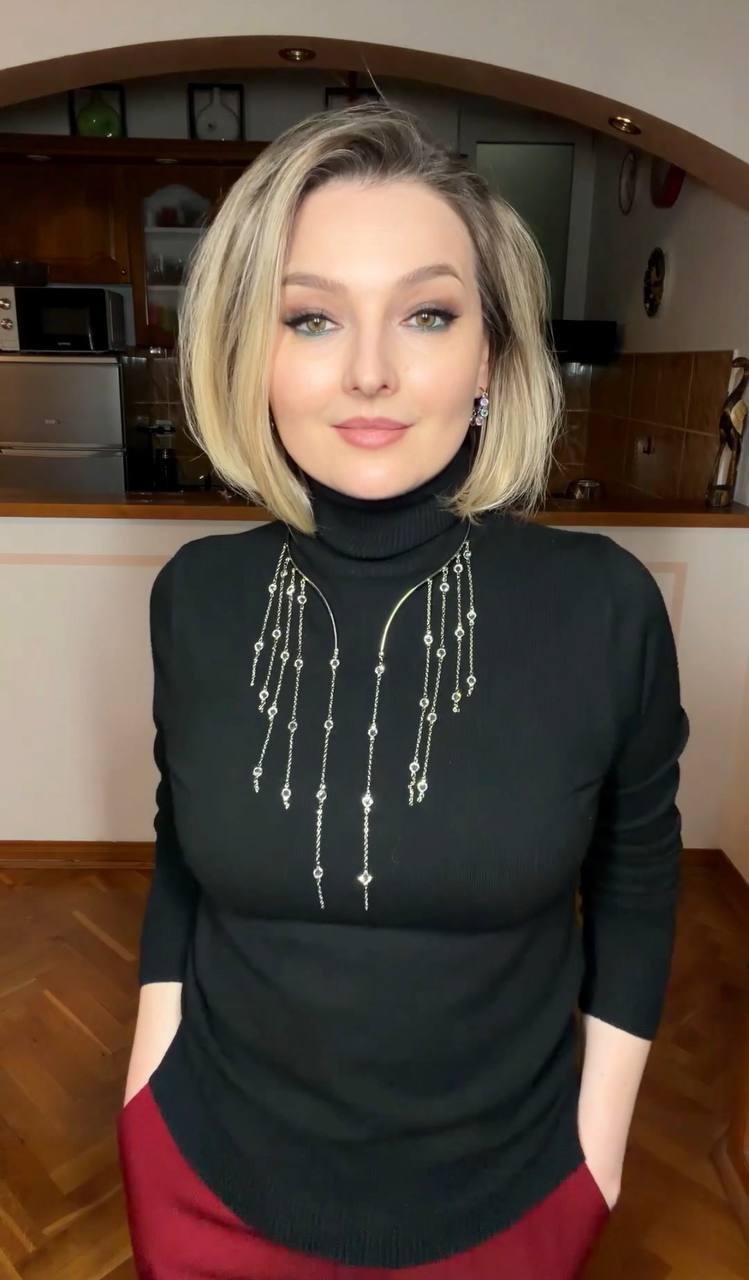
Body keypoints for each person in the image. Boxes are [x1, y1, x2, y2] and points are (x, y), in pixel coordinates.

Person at [117, 100, 690, 1279]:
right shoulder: (196, 596)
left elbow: (635, 884)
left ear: (490, 354)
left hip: (508, 1203)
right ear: (249, 350)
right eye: (311, 317)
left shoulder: (602, 605)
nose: (369, 370)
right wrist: (146, 1074)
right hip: (200, 1179)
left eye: (426, 313)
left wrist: (596, 1150)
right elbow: (183, 849)